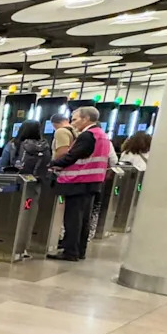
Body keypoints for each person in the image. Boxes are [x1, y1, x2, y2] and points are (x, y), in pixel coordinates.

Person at [48, 106, 112, 262]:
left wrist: (52, 164)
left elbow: (72, 156)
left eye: (75, 119)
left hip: (78, 182)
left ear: (86, 119)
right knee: (84, 219)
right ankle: (79, 250)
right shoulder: (101, 135)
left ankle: (70, 252)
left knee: (73, 219)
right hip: (93, 181)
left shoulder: (87, 136)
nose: (72, 123)